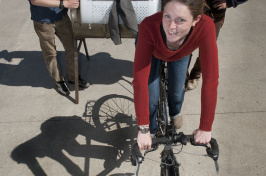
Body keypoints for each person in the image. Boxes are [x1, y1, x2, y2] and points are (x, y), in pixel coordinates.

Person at [133, 0, 219, 151]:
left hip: (181, 53)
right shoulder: (149, 25)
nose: (171, 26)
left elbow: (211, 80)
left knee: (177, 93)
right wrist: (143, 129)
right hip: (152, 51)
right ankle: (152, 129)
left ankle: (175, 113)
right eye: (167, 16)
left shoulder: (205, 26)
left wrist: (205, 127)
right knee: (151, 99)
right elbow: (139, 82)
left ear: (196, 20)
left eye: (181, 20)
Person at [29, 0, 89, 96]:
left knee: (72, 47)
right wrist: (63, 4)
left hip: (62, 17)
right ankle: (58, 81)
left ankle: (73, 77)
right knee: (50, 53)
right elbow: (35, 1)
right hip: (43, 21)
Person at [186, 0, 248, 90]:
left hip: (214, 14)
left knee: (206, 49)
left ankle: (196, 73)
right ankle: (183, 72)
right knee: (187, 44)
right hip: (192, 10)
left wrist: (231, 2)